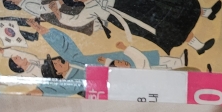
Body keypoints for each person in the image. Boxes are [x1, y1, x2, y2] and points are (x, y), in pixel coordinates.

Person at [51, 0, 220, 55]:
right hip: (131, 17)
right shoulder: (90, 9)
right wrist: (58, 13)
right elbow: (75, 21)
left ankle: (207, 12)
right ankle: (199, 46)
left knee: (172, 3)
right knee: (167, 25)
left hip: (137, 0)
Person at [41, 26, 187, 70]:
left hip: (117, 65)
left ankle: (176, 62)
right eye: (56, 64)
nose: (59, 61)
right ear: (57, 73)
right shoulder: (73, 68)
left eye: (56, 60)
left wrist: (108, 62)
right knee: (142, 61)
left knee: (145, 58)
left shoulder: (71, 62)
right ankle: (177, 64)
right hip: (129, 74)